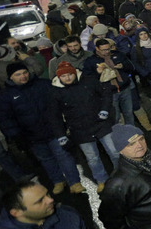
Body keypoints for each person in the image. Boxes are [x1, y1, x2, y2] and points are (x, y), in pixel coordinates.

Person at [0, 62, 85, 194]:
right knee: (46, 160)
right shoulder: (5, 95)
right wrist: (16, 137)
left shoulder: (43, 84)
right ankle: (58, 181)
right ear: (11, 77)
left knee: (64, 156)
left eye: (25, 72)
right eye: (18, 74)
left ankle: (74, 182)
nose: (23, 76)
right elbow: (6, 118)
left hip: (54, 130)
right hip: (31, 135)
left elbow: (59, 103)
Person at [49, 60, 119, 191]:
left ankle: (122, 175)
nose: (67, 78)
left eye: (69, 74)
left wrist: (105, 110)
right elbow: (55, 116)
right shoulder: (56, 92)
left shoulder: (88, 81)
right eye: (63, 76)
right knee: (92, 158)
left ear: (75, 73)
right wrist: (61, 135)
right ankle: (101, 180)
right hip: (79, 130)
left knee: (115, 152)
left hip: (100, 123)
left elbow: (105, 93)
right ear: (59, 77)